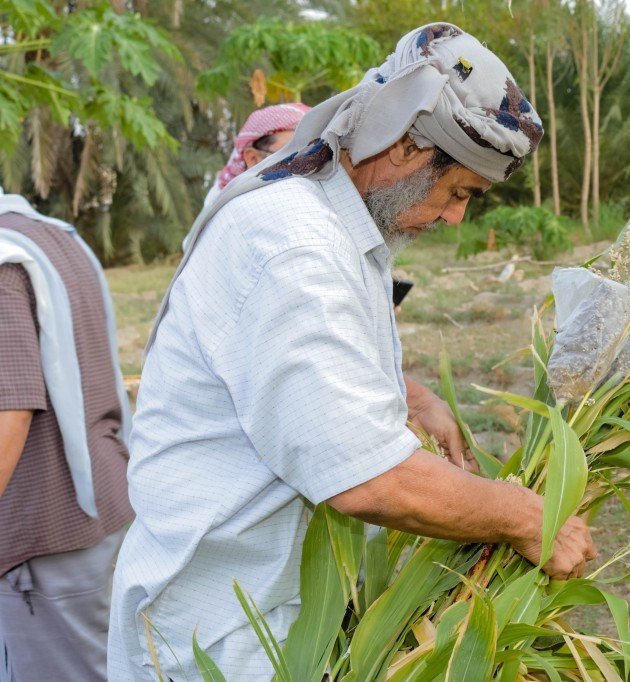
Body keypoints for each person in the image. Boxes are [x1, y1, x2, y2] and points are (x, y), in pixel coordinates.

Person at [108, 23, 596, 681]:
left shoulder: (341, 230)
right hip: (218, 643)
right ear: (404, 147)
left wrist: (409, 397)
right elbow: (368, 479)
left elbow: (316, 373)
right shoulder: (293, 243)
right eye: (458, 193)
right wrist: (520, 516)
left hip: (287, 621)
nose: (456, 219)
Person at [0, 187, 134, 680]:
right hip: (100, 497)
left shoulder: (3, 260)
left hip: (41, 528)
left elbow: (9, 413)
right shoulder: (53, 236)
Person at [202, 102, 311, 208]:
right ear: (252, 159)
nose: (305, 168)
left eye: (311, 155)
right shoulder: (233, 209)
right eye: (291, 157)